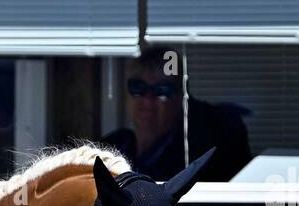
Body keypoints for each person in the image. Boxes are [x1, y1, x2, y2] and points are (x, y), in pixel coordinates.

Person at [105, 48, 251, 182]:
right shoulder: (113, 147)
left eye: (162, 90)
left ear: (180, 98)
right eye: (138, 87)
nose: (148, 100)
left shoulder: (193, 157)